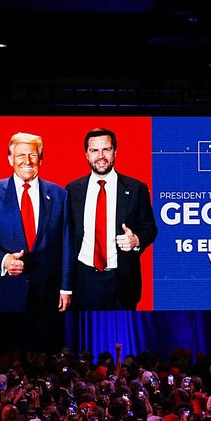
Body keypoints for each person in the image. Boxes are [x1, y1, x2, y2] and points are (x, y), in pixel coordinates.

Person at [0, 132, 74, 312]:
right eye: (21, 155)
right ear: (10, 159)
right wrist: (4, 260)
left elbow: (67, 244)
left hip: (47, 294)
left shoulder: (60, 195)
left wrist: (66, 288)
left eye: (33, 155)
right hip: (3, 292)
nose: (27, 161)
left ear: (41, 159)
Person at [67, 127, 157, 310]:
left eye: (106, 149)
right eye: (94, 151)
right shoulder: (72, 190)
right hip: (83, 280)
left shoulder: (136, 188)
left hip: (122, 280)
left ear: (115, 152)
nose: (100, 156)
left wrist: (136, 240)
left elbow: (150, 229)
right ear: (86, 154)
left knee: (122, 332)